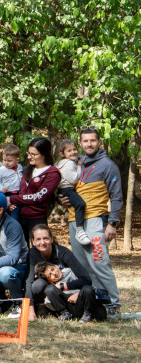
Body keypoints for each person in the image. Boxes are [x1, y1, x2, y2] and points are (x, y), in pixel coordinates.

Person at [60, 127, 121, 308]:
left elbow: (117, 196)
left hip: (96, 219)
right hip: (74, 221)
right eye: (85, 141)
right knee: (82, 266)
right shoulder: (74, 163)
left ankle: (113, 306)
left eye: (92, 140)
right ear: (80, 143)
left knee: (99, 263)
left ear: (99, 142)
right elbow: (66, 189)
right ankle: (93, 305)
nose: (89, 144)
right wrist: (61, 199)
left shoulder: (107, 165)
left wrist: (112, 223)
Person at [27, 224, 97, 321]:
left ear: (51, 239)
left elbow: (86, 278)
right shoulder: (32, 254)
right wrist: (29, 309)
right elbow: (29, 282)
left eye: (46, 238)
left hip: (69, 288)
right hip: (51, 291)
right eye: (38, 239)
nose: (42, 242)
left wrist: (75, 291)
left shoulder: (63, 252)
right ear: (33, 242)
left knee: (97, 309)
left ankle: (84, 311)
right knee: (37, 285)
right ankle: (42, 308)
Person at [8, 137, 60, 240]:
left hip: (37, 218)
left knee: (39, 248)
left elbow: (38, 196)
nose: (29, 157)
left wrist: (12, 199)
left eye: (34, 154)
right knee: (22, 250)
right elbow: (20, 191)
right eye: (28, 153)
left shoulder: (53, 173)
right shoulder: (28, 170)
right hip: (20, 216)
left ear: (44, 154)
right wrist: (12, 204)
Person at [53, 138, 91, 245]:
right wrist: (79, 167)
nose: (73, 152)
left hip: (63, 189)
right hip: (67, 189)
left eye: (74, 149)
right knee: (80, 204)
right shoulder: (69, 164)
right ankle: (79, 230)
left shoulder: (59, 163)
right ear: (62, 153)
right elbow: (74, 179)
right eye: (69, 151)